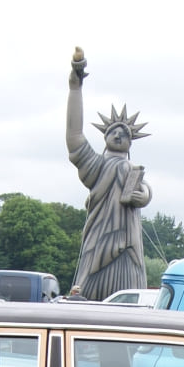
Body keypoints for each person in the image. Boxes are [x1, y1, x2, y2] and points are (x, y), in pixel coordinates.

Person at [66, 48, 152, 301]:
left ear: (130, 143)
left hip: (129, 248)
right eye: (113, 131)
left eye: (124, 134)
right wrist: (75, 89)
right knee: (87, 300)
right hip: (99, 245)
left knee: (130, 304)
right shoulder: (97, 165)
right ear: (104, 137)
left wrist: (143, 194)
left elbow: (145, 191)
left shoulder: (130, 169)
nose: (118, 135)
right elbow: (74, 137)